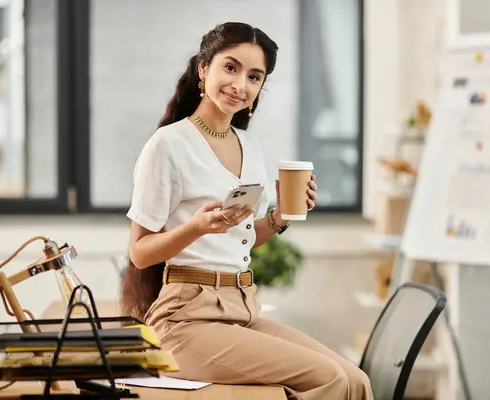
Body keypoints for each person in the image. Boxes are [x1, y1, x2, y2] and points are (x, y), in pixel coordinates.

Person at [121, 22, 373, 400]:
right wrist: (197, 228)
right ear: (203, 69)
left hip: (241, 308)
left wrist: (281, 217)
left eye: (254, 76)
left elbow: (241, 239)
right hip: (185, 321)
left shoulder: (249, 145)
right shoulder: (169, 145)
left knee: (355, 380)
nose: (240, 84)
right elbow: (139, 254)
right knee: (329, 380)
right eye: (230, 67)